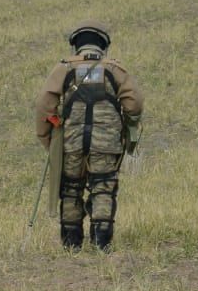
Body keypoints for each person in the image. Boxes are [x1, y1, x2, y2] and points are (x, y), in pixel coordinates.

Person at [34, 21, 144, 251]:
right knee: (103, 187)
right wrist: (124, 128)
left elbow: (45, 106)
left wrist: (49, 142)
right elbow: (134, 104)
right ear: (104, 45)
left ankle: (71, 244)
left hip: (71, 142)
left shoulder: (63, 69)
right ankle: (101, 242)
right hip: (106, 143)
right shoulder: (116, 70)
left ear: (76, 45)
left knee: (71, 188)